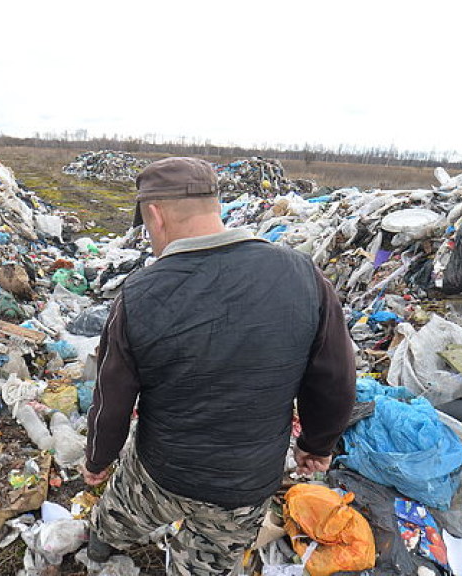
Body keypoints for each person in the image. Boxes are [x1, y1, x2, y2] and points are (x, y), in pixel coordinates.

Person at [83, 157, 356, 575]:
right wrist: (316, 445)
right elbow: (335, 380)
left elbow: (112, 397)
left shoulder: (139, 295)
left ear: (154, 214)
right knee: (210, 563)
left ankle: (100, 549)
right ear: (216, 205)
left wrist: (98, 459)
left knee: (120, 514)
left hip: (163, 470)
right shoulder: (303, 276)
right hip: (245, 484)